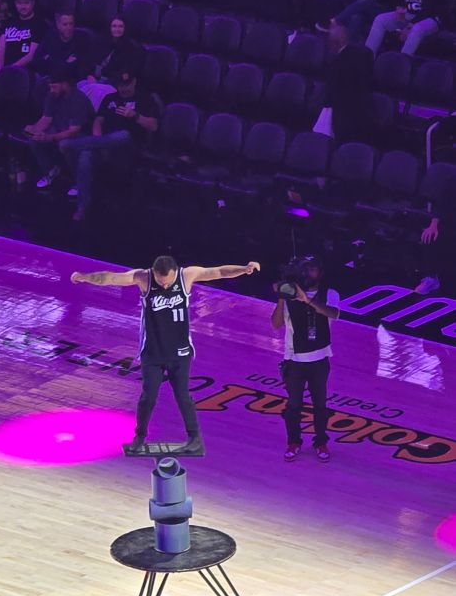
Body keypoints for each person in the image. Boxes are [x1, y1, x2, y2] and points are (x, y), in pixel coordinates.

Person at [70, 255, 261, 450]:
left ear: (174, 272)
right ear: (154, 273)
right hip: (152, 353)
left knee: (183, 396)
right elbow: (110, 278)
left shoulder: (186, 275)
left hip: (180, 352)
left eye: (167, 281)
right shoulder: (144, 278)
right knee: (148, 397)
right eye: (160, 281)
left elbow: (219, 271)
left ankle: (194, 438)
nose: (164, 285)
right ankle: (139, 437)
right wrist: (84, 277)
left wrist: (244, 268)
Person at [271, 257, 340, 463]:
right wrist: (282, 297)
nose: (308, 273)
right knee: (294, 405)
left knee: (320, 404)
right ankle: (293, 441)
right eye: (305, 269)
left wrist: (307, 300)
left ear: (320, 272)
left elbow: (334, 313)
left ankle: (321, 442)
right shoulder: (290, 295)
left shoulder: (330, 294)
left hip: (320, 358)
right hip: (294, 359)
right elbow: (275, 325)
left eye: (312, 269)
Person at [71, 69, 160, 222]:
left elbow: (154, 126)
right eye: (120, 85)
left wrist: (135, 116)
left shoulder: (145, 98)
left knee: (123, 134)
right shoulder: (110, 98)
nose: (124, 88)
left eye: (127, 84)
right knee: (86, 156)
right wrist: (97, 138)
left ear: (134, 82)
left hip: (130, 146)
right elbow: (98, 120)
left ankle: (74, 144)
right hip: (105, 144)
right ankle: (82, 206)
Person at [24, 66, 94, 189]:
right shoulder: (52, 96)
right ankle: (50, 171)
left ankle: (78, 180)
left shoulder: (78, 100)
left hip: (81, 135)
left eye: (54, 86)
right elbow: (46, 119)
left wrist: (49, 137)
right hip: (60, 129)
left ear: (65, 84)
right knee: (34, 138)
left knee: (65, 144)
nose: (51, 90)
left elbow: (74, 130)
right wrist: (33, 130)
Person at [324, 23, 374, 143]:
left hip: (344, 115)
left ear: (336, 42)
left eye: (330, 42)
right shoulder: (363, 54)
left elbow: (331, 93)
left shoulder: (337, 63)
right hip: (365, 112)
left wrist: (326, 104)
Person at [415, 174, 456, 294]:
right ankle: (432, 278)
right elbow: (442, 203)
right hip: (451, 220)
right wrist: (433, 224)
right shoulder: (453, 180)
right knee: (431, 235)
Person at [0, 0, 45, 75]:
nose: (23, 7)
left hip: (25, 70)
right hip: (6, 67)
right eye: (19, 3)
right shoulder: (9, 21)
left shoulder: (39, 24)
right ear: (15, 4)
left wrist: (10, 69)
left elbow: (31, 55)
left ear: (32, 3)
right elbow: (1, 49)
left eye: (26, 3)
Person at [35, 13, 90, 79]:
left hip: (72, 80)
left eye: (71, 24)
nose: (69, 28)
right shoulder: (50, 37)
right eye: (65, 24)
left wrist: (50, 60)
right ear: (58, 26)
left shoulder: (81, 38)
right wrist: (66, 63)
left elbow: (79, 67)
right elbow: (37, 60)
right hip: (50, 79)